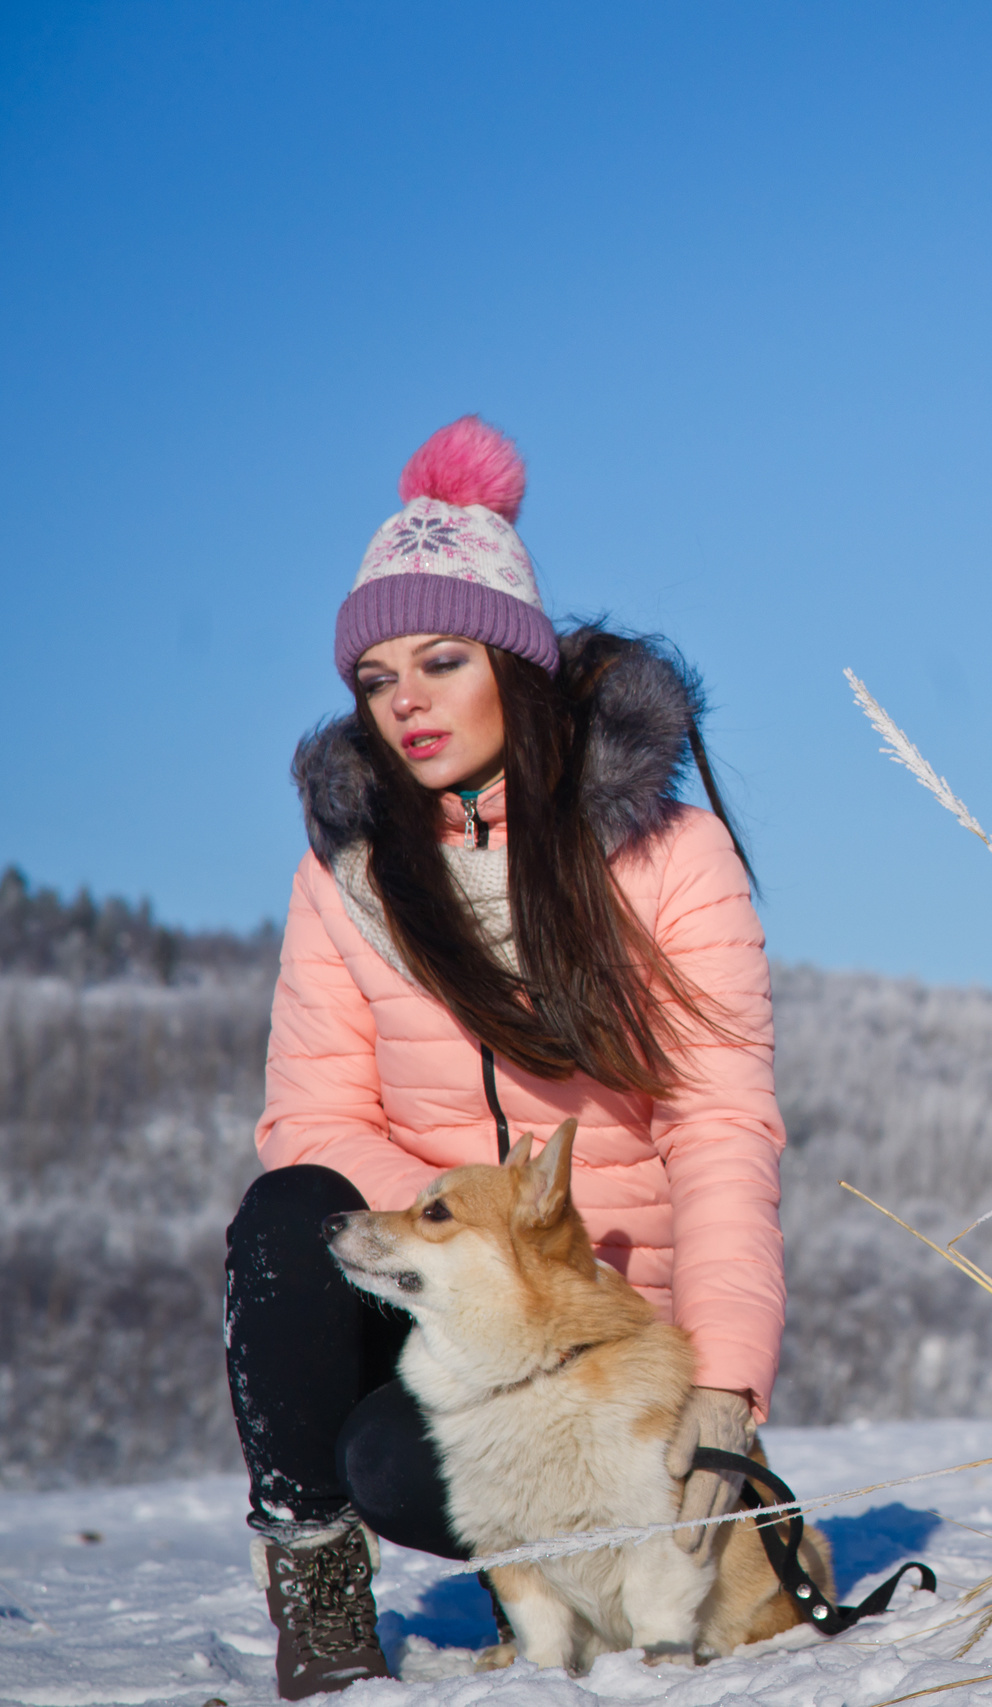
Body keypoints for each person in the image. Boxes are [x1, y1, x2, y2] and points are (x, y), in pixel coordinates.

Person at [223, 417, 786, 1697]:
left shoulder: (666, 856)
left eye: (441, 660)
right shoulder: (348, 877)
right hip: (438, 1299)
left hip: (600, 1335)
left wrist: (726, 1384)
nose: (406, 701)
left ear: (516, 667)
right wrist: (462, 1226)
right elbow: (309, 1116)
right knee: (286, 1213)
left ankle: (578, 1549)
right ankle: (315, 1573)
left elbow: (719, 1125)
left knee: (426, 1467)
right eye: (376, 678)